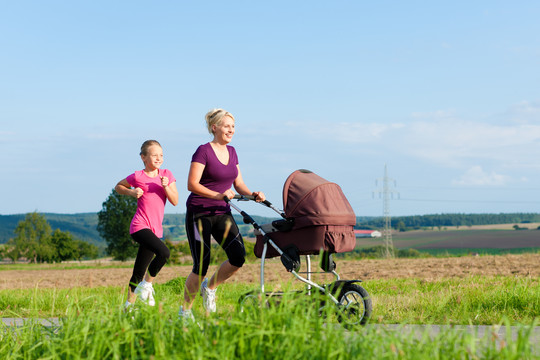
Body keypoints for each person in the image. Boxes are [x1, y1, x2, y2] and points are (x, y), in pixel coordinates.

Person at [179, 108, 265, 321]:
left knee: (237, 257)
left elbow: (239, 183)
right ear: (214, 127)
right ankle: (185, 312)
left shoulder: (233, 152)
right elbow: (192, 184)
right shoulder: (203, 151)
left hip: (222, 212)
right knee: (201, 264)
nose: (231, 130)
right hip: (199, 213)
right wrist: (218, 195)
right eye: (227, 126)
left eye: (233, 127)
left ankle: (210, 288)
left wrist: (252, 194)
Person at [115, 140, 179, 310]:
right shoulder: (137, 176)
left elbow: (175, 201)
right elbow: (118, 186)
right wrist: (131, 191)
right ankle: (147, 285)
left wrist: (166, 187)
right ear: (143, 157)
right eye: (154, 155)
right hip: (139, 226)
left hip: (155, 230)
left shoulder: (167, 175)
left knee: (138, 270)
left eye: (161, 155)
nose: (159, 158)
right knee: (164, 252)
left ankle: (128, 306)